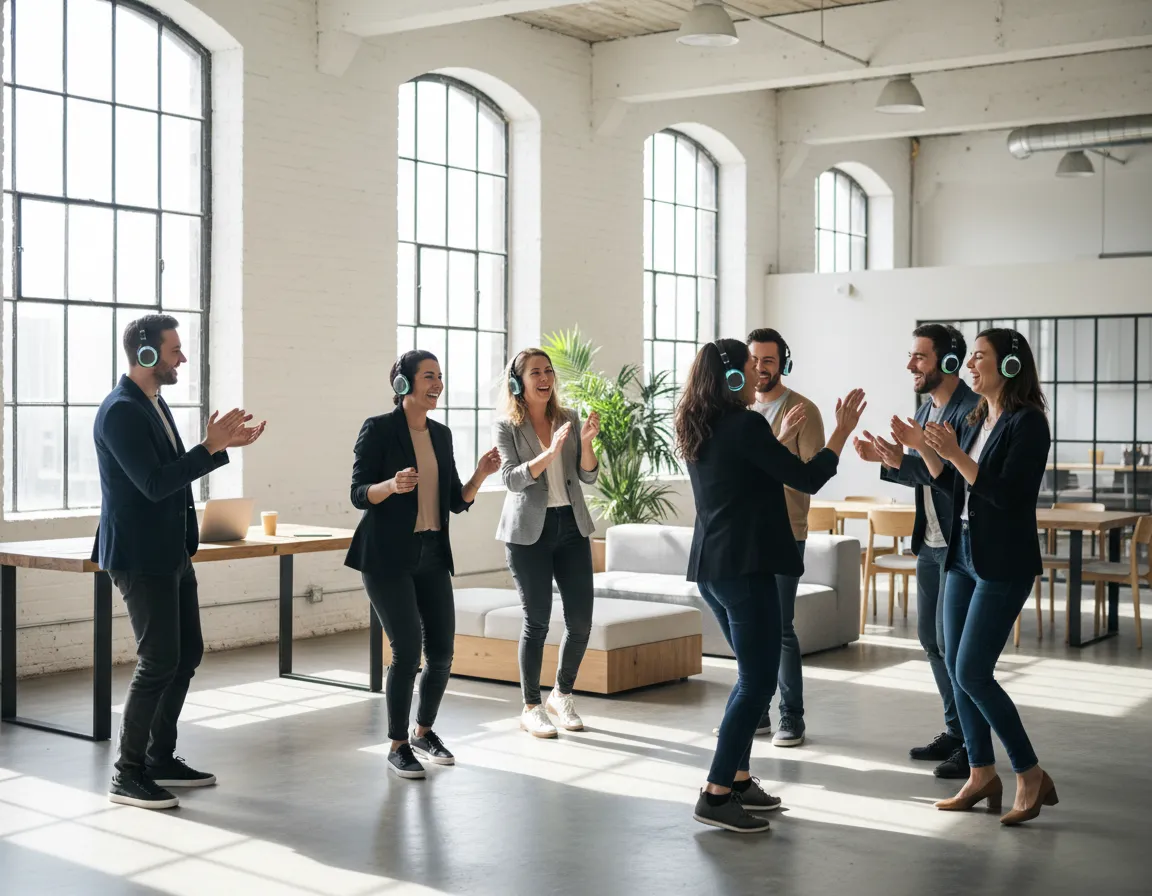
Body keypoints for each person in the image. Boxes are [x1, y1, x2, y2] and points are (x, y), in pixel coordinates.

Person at [675, 338, 865, 833]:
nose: (756, 376)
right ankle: (716, 793)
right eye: (747, 368)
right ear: (733, 378)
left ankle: (738, 780)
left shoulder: (698, 423)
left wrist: (776, 441)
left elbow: (744, 477)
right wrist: (840, 433)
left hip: (714, 569)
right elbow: (807, 478)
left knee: (750, 676)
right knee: (757, 683)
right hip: (745, 568)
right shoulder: (744, 423)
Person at [94, 314, 266, 810]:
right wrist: (209, 447)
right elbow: (154, 484)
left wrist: (217, 449)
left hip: (171, 551)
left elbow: (170, 472)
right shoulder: (121, 411)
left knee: (186, 654)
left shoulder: (153, 402)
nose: (183, 358)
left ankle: (158, 758)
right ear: (146, 354)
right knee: (158, 661)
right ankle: (127, 774)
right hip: (139, 555)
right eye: (174, 351)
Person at [892, 328, 1057, 825]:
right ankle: (981, 773)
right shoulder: (975, 417)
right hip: (961, 553)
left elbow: (1008, 496)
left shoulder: (1029, 423)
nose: (969, 365)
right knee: (952, 660)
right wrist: (921, 450)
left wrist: (953, 454)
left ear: (1009, 366)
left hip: (1003, 561)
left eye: (980, 357)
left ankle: (1030, 773)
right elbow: (951, 485)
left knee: (971, 672)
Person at [345, 350, 500, 780]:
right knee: (407, 651)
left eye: (440, 376)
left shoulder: (441, 435)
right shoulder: (378, 429)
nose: (438, 384)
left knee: (443, 653)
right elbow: (358, 493)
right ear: (403, 384)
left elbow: (455, 500)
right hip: (386, 558)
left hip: (432, 554)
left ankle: (422, 732)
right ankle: (397, 745)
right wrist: (391, 485)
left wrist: (481, 475)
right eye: (429, 376)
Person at [854, 324, 978, 779]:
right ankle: (955, 730)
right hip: (929, 542)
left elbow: (954, 478)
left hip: (958, 544)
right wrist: (890, 460)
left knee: (953, 647)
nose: (910, 365)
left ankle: (973, 744)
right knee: (930, 640)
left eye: (920, 357)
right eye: (911, 356)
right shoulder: (926, 409)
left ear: (949, 361)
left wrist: (913, 450)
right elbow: (927, 472)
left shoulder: (972, 410)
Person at [494, 348, 600, 739]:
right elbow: (511, 479)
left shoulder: (568, 418)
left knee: (581, 622)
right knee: (536, 621)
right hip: (528, 534)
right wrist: (550, 452)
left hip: (571, 526)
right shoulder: (506, 426)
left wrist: (586, 444)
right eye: (535, 372)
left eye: (548, 371)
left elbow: (587, 477)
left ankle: (562, 693)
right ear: (517, 382)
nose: (544, 378)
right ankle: (531, 707)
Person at [739, 327, 825, 748]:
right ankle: (755, 712)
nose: (760, 368)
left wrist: (773, 452)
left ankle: (792, 715)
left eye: (768, 360)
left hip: (786, 531)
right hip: (744, 533)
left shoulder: (803, 411)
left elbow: (809, 478)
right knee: (750, 627)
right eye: (754, 360)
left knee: (781, 627)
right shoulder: (738, 410)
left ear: (783, 363)